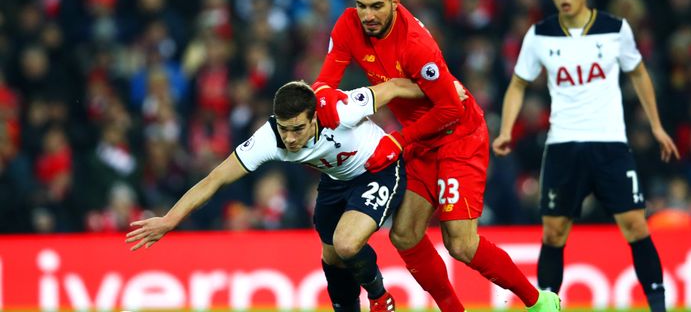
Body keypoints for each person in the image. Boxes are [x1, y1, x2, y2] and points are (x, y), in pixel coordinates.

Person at [312, 0, 560, 312]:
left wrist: (398, 139)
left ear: (394, 3)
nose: (368, 15)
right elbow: (325, 82)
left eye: (377, 6)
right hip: (421, 140)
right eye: (362, 5)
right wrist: (320, 101)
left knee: (460, 244)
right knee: (405, 235)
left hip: (458, 136)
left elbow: (450, 108)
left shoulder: (415, 45)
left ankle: (539, 302)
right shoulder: (349, 26)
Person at [126, 78, 454, 312]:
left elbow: (395, 87)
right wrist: (170, 219)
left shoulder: (339, 109)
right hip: (335, 181)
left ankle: (380, 298)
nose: (291, 138)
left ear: (314, 117)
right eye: (284, 128)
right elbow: (214, 180)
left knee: (346, 242)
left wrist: (447, 93)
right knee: (332, 259)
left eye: (298, 128)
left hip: (379, 169)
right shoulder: (269, 139)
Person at [492, 0, 680, 312]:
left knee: (636, 226)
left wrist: (656, 126)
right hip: (562, 144)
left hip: (610, 143)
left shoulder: (615, 29)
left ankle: (659, 306)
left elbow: (638, 74)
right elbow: (518, 84)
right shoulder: (540, 35)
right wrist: (505, 130)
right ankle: (548, 306)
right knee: (553, 233)